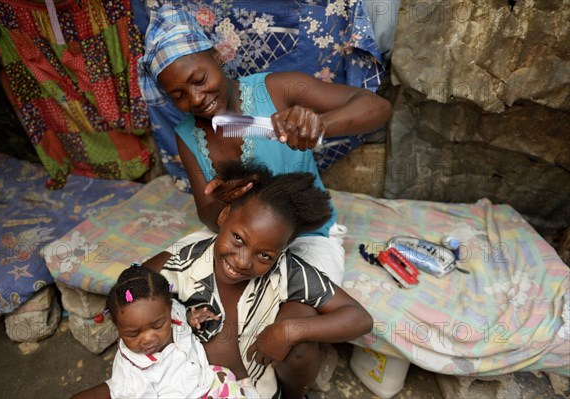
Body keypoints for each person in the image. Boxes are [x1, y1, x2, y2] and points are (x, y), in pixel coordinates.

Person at [137, 5, 393, 286]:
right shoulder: (187, 136)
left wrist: (321, 124)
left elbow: (376, 107)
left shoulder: (279, 90)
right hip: (238, 241)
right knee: (162, 278)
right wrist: (224, 207)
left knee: (303, 299)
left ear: (217, 56)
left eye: (199, 80)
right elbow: (207, 212)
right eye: (179, 95)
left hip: (305, 235)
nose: (196, 98)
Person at [145, 162, 374, 399]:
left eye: (264, 255)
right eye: (238, 239)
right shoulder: (186, 262)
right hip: (192, 387)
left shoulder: (288, 272)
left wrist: (288, 331)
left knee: (301, 344)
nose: (243, 262)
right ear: (224, 216)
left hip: (259, 390)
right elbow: (129, 289)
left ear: (283, 250)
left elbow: (360, 318)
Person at [72, 265, 259, 399]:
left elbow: (178, 312)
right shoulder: (130, 371)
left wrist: (189, 318)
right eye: (133, 334)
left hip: (208, 380)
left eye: (157, 325)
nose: (148, 338)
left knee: (229, 380)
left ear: (168, 311)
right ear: (118, 328)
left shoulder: (170, 310)